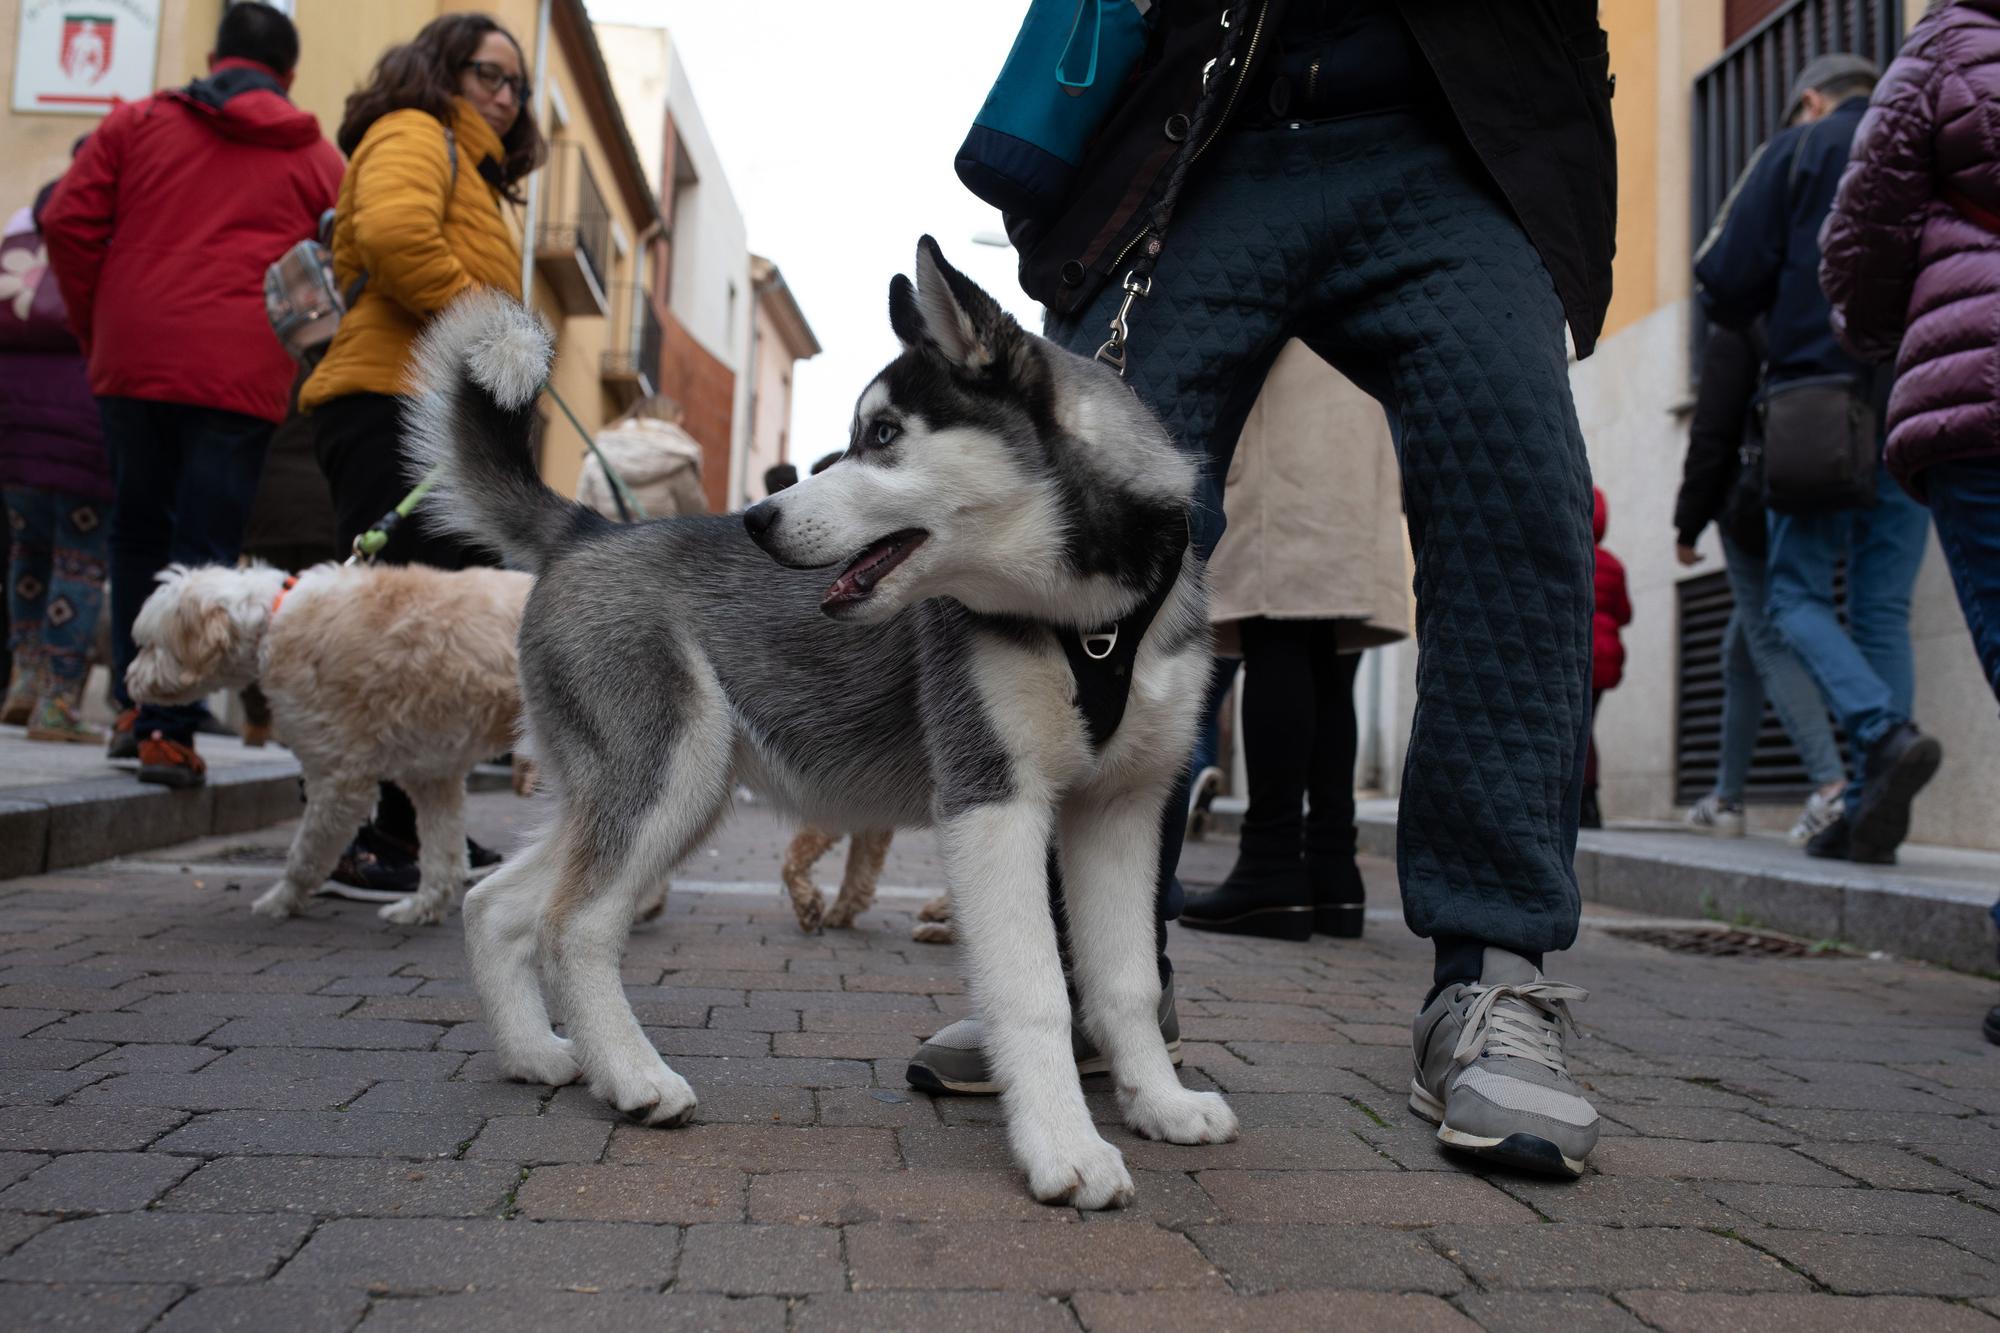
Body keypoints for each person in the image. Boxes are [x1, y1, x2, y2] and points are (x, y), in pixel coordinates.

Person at [915, 0, 1618, 1178]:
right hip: (1202, 130)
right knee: (1076, 522)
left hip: (1455, 138)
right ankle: (1090, 985)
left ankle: (1493, 977)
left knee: (1520, 506)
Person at [39, 2, 343, 787]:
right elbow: (348, 254)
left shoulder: (136, 123)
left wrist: (97, 320)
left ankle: (139, 710)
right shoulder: (314, 154)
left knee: (137, 528)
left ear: (214, 57)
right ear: (290, 74)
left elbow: (68, 221)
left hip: (133, 353)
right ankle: (167, 728)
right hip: (241, 372)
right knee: (207, 550)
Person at [299, 12, 544, 895]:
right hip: (387, 404)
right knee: (380, 629)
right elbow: (401, 240)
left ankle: (408, 837)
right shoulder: (414, 132)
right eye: (489, 74)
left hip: (434, 416)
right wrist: (491, 333)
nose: (506, 96)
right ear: (443, 68)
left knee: (431, 638)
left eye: (517, 85)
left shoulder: (478, 172)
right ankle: (356, 836)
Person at [1695, 52, 1940, 867]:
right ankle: (1873, 811)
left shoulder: (1795, 150)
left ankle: (1880, 731)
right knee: (1880, 610)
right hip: (1914, 394)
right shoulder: (1923, 135)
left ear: (1809, 99)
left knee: (1796, 594)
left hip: (1816, 404)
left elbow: (1723, 280)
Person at [1814, 0, 2000, 1039]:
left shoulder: (1942, 45)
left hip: (1972, 387)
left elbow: (1861, 231)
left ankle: (1874, 740)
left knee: (1800, 601)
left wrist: (1886, 335)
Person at [1178, 342, 1409, 940]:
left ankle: (1272, 864)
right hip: (1361, 398)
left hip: (1295, 388)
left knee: (1277, 624)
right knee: (1329, 650)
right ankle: (1334, 872)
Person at [1673, 324, 1848, 841]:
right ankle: (1727, 798)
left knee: (1771, 638)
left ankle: (1830, 788)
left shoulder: (1742, 311)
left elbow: (1713, 428)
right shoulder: (1814, 296)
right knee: (1741, 651)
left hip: (1753, 502)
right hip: (1827, 476)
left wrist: (1689, 521)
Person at [1, 179, 112, 743]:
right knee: (80, 560)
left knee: (27, 550)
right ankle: (57, 704)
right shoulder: (102, 231)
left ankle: (24, 682)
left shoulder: (23, 228)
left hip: (13, 423)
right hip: (83, 417)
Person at [1582, 488, 1630, 830]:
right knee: (1586, 727)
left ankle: (1584, 803)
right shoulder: (1613, 564)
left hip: (1579, 654)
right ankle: (1589, 804)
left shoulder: (1570, 555)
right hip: (1606, 658)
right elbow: (1625, 613)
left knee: (1578, 731)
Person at [577, 397, 705, 522]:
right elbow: (696, 517)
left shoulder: (598, 455)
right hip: (658, 542)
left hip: (607, 541)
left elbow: (582, 511)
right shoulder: (678, 459)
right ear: (671, 423)